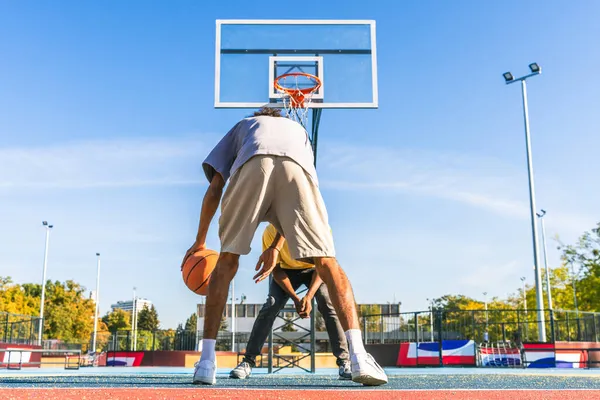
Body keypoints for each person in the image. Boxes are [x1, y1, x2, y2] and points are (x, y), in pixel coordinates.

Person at [183, 106, 387, 386]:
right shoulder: (299, 131)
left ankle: (206, 363)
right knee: (328, 262)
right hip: (298, 170)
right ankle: (359, 356)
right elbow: (289, 198)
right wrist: (277, 247)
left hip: (251, 165)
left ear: (259, 116)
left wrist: (200, 241)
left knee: (227, 262)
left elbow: (216, 186)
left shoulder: (245, 125)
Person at [229, 224, 351, 380]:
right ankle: (248, 361)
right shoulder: (271, 232)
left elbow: (324, 264)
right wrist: (295, 298)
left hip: (314, 269)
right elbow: (277, 269)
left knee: (327, 303)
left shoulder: (318, 227)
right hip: (285, 271)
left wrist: (308, 296)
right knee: (271, 305)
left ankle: (344, 361)